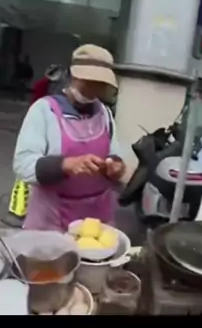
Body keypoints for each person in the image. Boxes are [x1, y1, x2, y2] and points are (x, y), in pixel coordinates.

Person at [13, 45, 126, 231]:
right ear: (73, 76)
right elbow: (23, 165)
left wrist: (115, 166)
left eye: (100, 84)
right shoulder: (44, 110)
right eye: (88, 82)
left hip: (96, 222)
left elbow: (115, 154)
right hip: (52, 222)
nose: (93, 89)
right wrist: (66, 165)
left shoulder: (104, 113)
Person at [4, 65, 67, 225]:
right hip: (47, 132)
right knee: (31, 175)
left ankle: (19, 212)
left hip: (43, 132)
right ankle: (23, 211)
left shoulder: (44, 86)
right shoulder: (57, 88)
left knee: (26, 176)